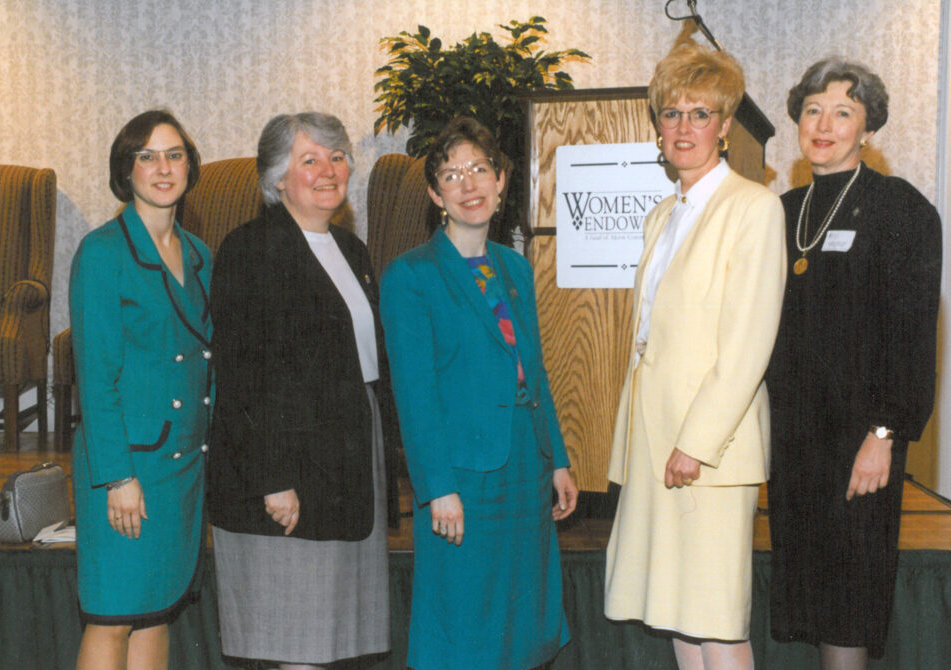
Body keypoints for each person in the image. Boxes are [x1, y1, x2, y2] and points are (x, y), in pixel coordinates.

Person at [602, 39, 787, 670]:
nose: (684, 128)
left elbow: (748, 344)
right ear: (657, 127)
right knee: (677, 611)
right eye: (671, 114)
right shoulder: (662, 215)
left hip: (710, 449)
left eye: (700, 114)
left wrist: (696, 441)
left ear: (726, 125)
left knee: (716, 616)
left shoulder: (754, 207)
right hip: (657, 440)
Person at [380, 116, 578, 670]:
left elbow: (532, 374)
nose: (469, 185)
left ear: (502, 181)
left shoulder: (514, 267)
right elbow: (413, 395)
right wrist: (436, 487)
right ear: (434, 193)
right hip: (461, 477)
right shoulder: (411, 276)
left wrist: (557, 459)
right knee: (465, 626)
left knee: (522, 625)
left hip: (524, 469)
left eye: (480, 170)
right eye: (451, 174)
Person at [207, 112, 400, 670]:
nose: (328, 171)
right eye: (309, 160)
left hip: (346, 471)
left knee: (333, 644)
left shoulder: (351, 249)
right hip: (285, 475)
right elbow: (244, 375)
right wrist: (274, 478)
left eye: (337, 158)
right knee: (296, 647)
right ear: (276, 179)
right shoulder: (250, 249)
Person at [765, 58, 941, 669]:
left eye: (844, 111)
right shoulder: (780, 213)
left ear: (868, 128)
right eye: (813, 109)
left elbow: (914, 337)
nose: (824, 124)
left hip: (861, 444)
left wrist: (885, 433)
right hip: (794, 443)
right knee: (812, 598)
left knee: (850, 598)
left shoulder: (902, 211)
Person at [70, 109, 210, 670]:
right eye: (146, 156)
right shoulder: (103, 252)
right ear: (125, 171)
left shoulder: (200, 254)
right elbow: (95, 378)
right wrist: (118, 477)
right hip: (128, 467)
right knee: (113, 613)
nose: (162, 168)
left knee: (157, 609)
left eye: (174, 154)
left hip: (181, 465)